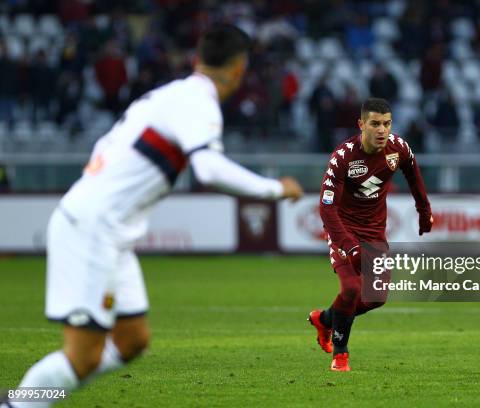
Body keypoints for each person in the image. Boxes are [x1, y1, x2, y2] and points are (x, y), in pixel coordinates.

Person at [2, 24, 303, 408]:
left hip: (111, 233)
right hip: (92, 229)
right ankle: (18, 403)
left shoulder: (170, 96)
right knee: (83, 355)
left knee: (132, 340)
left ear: (197, 58)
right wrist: (275, 189)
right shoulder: (198, 102)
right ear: (240, 69)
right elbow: (208, 169)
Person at [308, 97, 433, 372]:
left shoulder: (397, 148)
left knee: (376, 297)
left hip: (374, 233)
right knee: (351, 288)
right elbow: (326, 209)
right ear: (361, 124)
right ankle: (341, 355)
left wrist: (424, 210)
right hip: (343, 230)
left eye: (387, 124)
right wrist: (349, 245)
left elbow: (413, 172)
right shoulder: (343, 157)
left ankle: (326, 319)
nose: (382, 130)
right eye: (375, 124)